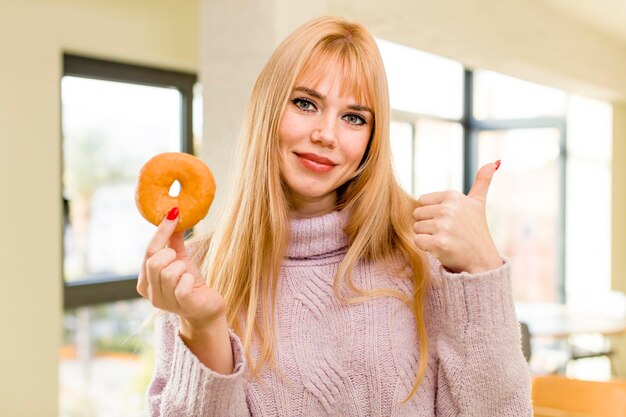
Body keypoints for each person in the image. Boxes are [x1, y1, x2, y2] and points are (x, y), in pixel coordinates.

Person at [137, 16, 532, 417]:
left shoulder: (423, 255)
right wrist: (203, 329)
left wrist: (482, 270)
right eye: (305, 103)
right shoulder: (200, 275)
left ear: (371, 141)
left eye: (354, 117)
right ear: (268, 109)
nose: (326, 134)